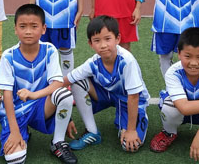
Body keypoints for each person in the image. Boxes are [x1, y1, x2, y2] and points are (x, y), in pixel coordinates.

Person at [0, 4, 77, 164]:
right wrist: (15, 131)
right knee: (15, 160)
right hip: (17, 111)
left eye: (34, 26)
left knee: (64, 94)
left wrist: (34, 95)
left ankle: (58, 142)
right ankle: (22, 130)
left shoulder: (49, 50)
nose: (28, 31)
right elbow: (7, 96)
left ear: (43, 28)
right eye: (22, 26)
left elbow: (58, 83)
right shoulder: (8, 56)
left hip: (40, 106)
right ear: (15, 29)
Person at [64, 16, 150, 153]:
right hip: (107, 94)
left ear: (117, 39)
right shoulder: (93, 62)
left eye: (107, 39)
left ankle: (133, 120)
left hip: (128, 100)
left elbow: (134, 96)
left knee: (129, 145)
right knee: (77, 82)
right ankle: (92, 132)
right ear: (90, 43)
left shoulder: (127, 61)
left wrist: (131, 130)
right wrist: (40, 94)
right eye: (97, 40)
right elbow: (66, 80)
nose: (103, 45)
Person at [149, 27, 199, 161]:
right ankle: (169, 132)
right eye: (187, 56)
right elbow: (184, 108)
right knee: (169, 105)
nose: (193, 63)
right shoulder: (173, 72)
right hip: (181, 110)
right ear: (179, 53)